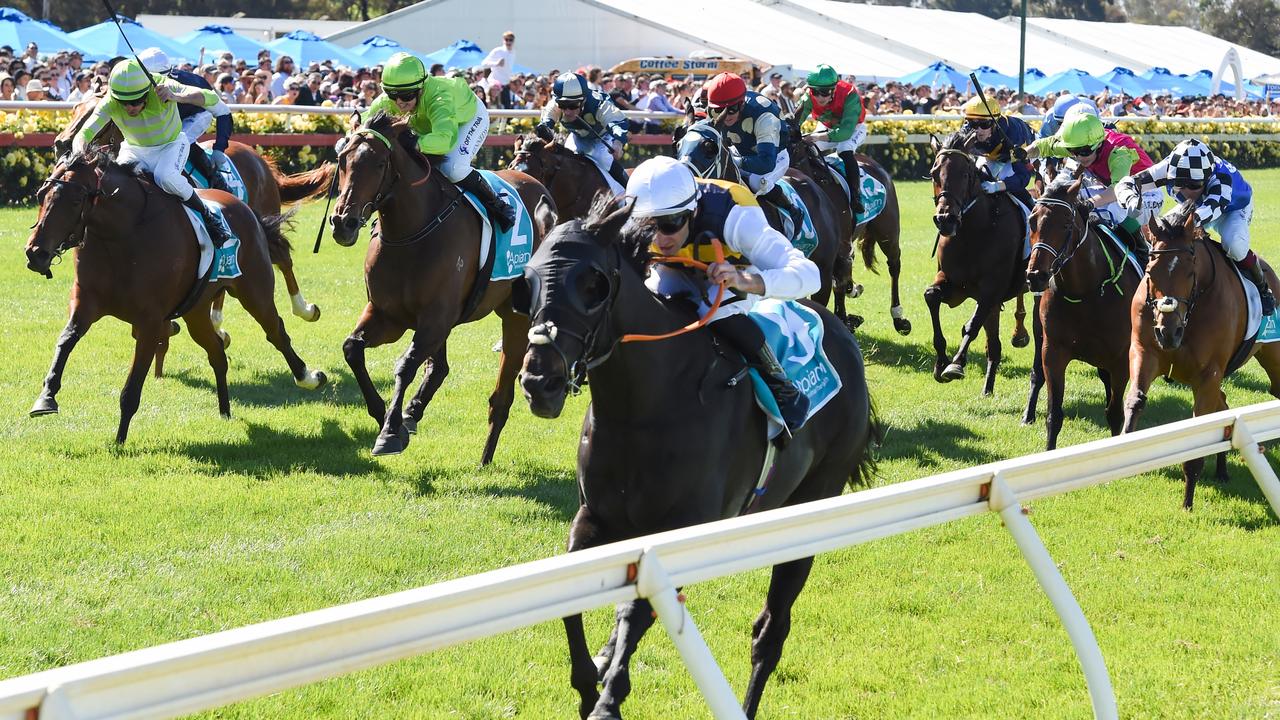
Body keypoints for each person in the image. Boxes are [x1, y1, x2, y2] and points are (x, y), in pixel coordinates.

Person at [626, 156, 820, 433]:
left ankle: (782, 387)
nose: (658, 238)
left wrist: (744, 280)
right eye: (647, 226)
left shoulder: (736, 217)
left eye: (669, 224)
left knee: (718, 311)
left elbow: (810, 275)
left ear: (692, 212)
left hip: (734, 266)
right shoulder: (635, 220)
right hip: (674, 267)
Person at [74, 59, 234, 247]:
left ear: (146, 92)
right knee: (114, 183)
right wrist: (79, 154)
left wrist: (177, 96)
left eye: (135, 102)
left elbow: (212, 99)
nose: (129, 108)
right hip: (134, 150)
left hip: (171, 145)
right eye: (123, 103)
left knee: (166, 177)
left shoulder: (162, 84)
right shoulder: (110, 101)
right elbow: (84, 133)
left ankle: (209, 216)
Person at [1117, 138, 1275, 314]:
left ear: (1207, 178)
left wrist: (1185, 224)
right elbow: (1127, 182)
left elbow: (1211, 209)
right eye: (1180, 184)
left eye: (1194, 185)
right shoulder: (1169, 167)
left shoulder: (1221, 179)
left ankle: (1263, 288)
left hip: (1232, 208)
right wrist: (1129, 199)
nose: (1187, 190)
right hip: (1196, 207)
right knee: (1161, 238)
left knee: (1235, 245)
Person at [365, 52, 514, 231]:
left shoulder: (439, 97)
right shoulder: (385, 102)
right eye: (392, 95)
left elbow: (445, 139)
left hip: (468, 119)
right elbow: (365, 128)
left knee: (452, 168)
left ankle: (498, 205)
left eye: (406, 96)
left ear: (421, 88)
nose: (399, 103)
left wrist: (415, 144)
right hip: (433, 126)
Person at [1024, 111, 1157, 256]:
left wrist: (1090, 203)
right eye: (1073, 151)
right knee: (1067, 199)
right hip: (1115, 190)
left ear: (1099, 143)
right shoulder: (1081, 144)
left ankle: (1142, 250)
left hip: (1147, 193)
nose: (1080, 157)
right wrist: (1022, 153)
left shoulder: (1118, 153)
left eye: (1085, 151)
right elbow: (1045, 145)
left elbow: (1117, 191)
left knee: (1112, 210)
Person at [702, 72, 803, 231]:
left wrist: (736, 161)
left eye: (731, 109)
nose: (724, 115)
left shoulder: (764, 116)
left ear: (741, 104)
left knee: (757, 182)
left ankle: (792, 210)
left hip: (775, 155)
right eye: (719, 110)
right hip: (740, 150)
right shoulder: (713, 110)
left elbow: (765, 163)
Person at [138, 48, 234, 194]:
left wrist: (219, 148)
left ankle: (215, 177)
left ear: (168, 75)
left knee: (181, 137)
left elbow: (224, 112)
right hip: (174, 114)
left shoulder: (189, 84)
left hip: (197, 113)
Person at [535, 71, 630, 188]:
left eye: (573, 105)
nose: (567, 111)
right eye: (562, 105)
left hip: (602, 139)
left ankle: (629, 192)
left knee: (605, 159)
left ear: (584, 100)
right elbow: (544, 125)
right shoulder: (554, 104)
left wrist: (618, 144)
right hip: (577, 137)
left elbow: (617, 123)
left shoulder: (599, 104)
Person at [795, 64, 867, 215]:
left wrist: (817, 136)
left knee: (844, 150)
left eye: (825, 92)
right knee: (807, 148)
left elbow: (846, 132)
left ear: (834, 89)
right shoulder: (808, 97)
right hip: (827, 126)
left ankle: (855, 196)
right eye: (816, 92)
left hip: (854, 128)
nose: (820, 97)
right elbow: (796, 120)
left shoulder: (849, 94)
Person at [961, 93, 1036, 213]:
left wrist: (997, 186)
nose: (978, 130)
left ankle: (1032, 209)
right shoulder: (966, 131)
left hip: (1025, 148)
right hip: (992, 155)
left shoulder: (1012, 136)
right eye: (973, 123)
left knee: (1005, 178)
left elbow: (1023, 177)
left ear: (995, 123)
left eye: (984, 124)